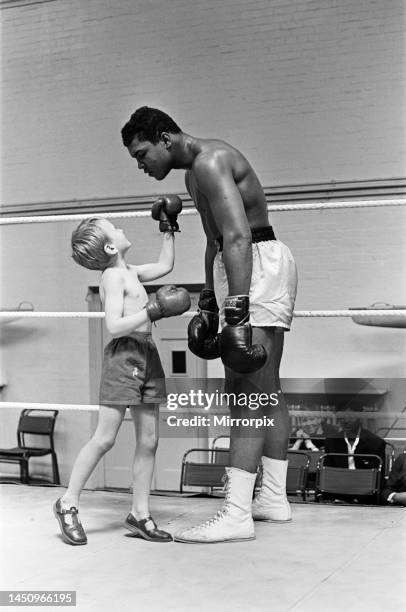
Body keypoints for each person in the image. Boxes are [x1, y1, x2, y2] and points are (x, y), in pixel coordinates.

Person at [121, 106, 298, 543]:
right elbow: (214, 239)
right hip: (237, 266)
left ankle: (237, 513)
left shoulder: (211, 160)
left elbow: (238, 236)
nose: (142, 166)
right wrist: (208, 301)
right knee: (265, 388)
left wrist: (235, 308)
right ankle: (272, 498)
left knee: (245, 390)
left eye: (143, 154)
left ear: (165, 137)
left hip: (253, 263)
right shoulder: (192, 174)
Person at [53, 205, 190, 545]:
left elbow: (165, 266)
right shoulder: (113, 277)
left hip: (147, 352)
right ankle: (67, 503)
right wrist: (152, 309)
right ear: (111, 247)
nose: (122, 227)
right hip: (123, 356)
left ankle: (140, 514)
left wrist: (168, 227)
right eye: (115, 227)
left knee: (149, 440)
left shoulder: (130, 270)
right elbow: (113, 325)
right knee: (105, 438)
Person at [322, 409, 386, 503]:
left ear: (359, 418)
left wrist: (358, 500)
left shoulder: (376, 443)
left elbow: (377, 479)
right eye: (343, 416)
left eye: (350, 416)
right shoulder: (331, 442)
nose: (346, 420)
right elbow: (329, 475)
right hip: (338, 493)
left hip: (365, 496)